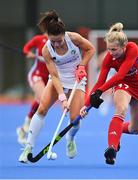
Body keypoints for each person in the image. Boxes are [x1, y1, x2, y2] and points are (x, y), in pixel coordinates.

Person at [19, 10, 95, 163]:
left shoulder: (73, 38)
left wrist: (81, 66)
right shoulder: (47, 49)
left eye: (59, 41)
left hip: (77, 79)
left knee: (74, 119)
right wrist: (62, 98)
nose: (57, 44)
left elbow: (90, 49)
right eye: (53, 41)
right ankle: (28, 146)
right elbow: (54, 76)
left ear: (64, 34)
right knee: (42, 109)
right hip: (58, 79)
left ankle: (70, 139)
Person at [80, 22, 138, 165]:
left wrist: (99, 92)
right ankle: (112, 149)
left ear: (124, 47)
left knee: (134, 129)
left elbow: (120, 74)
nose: (111, 53)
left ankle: (116, 133)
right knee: (121, 109)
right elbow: (100, 82)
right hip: (123, 84)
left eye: (114, 49)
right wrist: (86, 106)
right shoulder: (109, 58)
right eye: (108, 49)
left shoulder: (133, 49)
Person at [16, 33, 49, 146]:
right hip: (36, 75)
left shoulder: (59, 42)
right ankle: (27, 126)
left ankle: (24, 129)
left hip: (49, 78)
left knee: (41, 102)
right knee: (43, 100)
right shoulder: (38, 39)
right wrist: (28, 53)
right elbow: (26, 48)